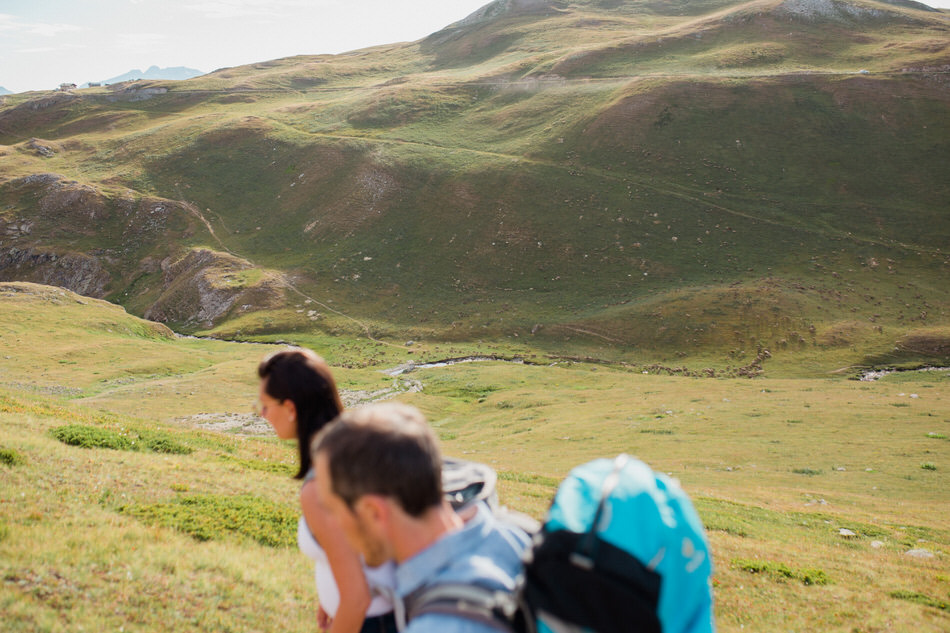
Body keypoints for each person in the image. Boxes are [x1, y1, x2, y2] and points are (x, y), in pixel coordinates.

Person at [311, 402, 530, 633]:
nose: (331, 525)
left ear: (374, 512)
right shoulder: (514, 534)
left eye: (333, 510)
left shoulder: (440, 626)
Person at [257, 348, 397, 633]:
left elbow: (357, 599)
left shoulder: (319, 486)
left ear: (291, 408)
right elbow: (356, 549)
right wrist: (329, 596)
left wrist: (340, 606)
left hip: (370, 622)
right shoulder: (355, 447)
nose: (262, 414)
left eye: (266, 405)